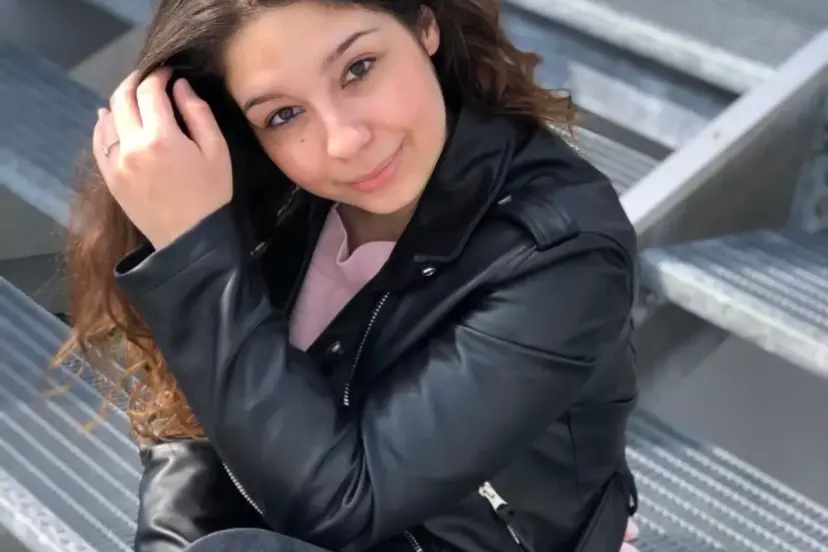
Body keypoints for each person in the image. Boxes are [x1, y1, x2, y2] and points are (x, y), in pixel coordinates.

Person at [57, 0, 641, 550]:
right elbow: (200, 425)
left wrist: (193, 256)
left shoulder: (562, 249)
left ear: (425, 25)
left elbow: (346, 504)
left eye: (359, 68)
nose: (344, 140)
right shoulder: (280, 194)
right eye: (283, 114)